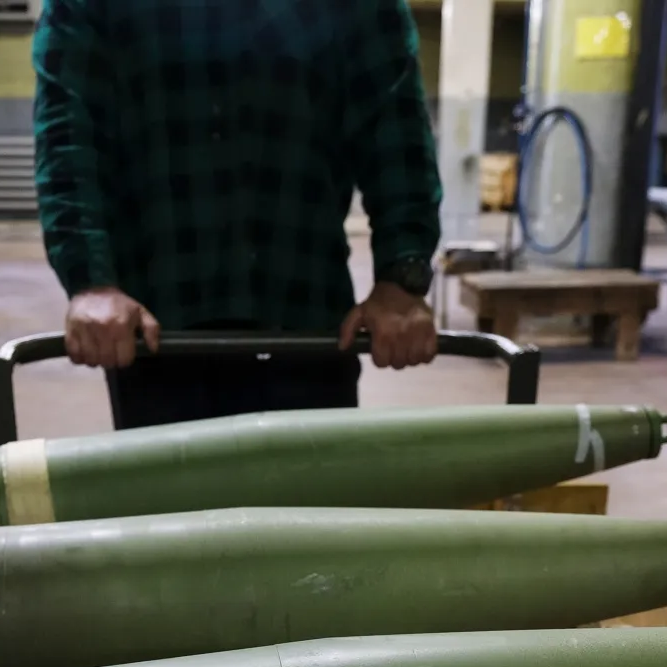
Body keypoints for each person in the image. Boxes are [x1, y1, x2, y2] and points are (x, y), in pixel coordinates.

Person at [32, 0, 442, 429]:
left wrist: (401, 279)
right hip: (159, 339)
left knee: (308, 492)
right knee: (176, 497)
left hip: (306, 329)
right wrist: (90, 280)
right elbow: (68, 131)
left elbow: (395, 126)